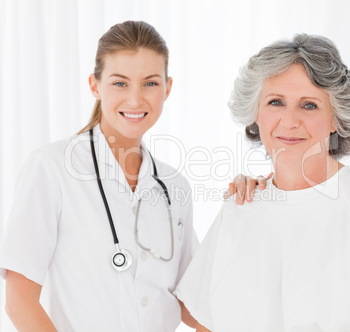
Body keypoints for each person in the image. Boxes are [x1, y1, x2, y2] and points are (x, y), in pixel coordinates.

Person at [174, 34, 350, 332]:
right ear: (256, 113)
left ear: (336, 119)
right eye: (276, 102)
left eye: (309, 105)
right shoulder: (241, 205)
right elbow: (201, 319)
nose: (289, 120)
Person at [0, 20, 200, 332]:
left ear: (168, 88)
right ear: (95, 85)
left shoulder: (174, 185)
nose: (135, 99)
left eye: (150, 83)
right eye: (120, 83)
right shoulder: (51, 168)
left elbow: (191, 300)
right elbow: (19, 300)